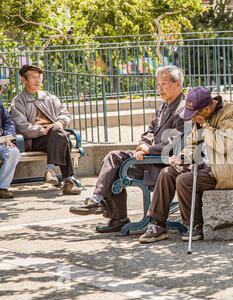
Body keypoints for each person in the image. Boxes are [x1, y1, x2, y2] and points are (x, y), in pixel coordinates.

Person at [69, 65, 186, 233]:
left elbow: (174, 143)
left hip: (161, 163)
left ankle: (103, 205)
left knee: (117, 164)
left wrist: (148, 149)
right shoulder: (163, 106)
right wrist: (143, 144)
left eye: (164, 84)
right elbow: (150, 131)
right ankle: (113, 213)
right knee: (113, 157)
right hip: (148, 158)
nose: (159, 88)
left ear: (178, 84)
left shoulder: (183, 109)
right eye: (158, 84)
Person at [138, 86, 233, 243]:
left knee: (184, 180)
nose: (192, 117)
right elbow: (192, 144)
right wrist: (182, 158)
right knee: (167, 173)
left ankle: (194, 225)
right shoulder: (198, 115)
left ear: (208, 107)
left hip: (224, 169)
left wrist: (205, 126)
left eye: (196, 113)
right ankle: (157, 224)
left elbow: (225, 144)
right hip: (202, 165)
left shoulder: (232, 112)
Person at [10, 65, 80, 195]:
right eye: (33, 77)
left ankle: (51, 170)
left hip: (55, 136)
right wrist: (42, 130)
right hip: (34, 139)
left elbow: (65, 114)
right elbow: (21, 126)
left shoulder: (48, 97)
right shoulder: (18, 101)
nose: (37, 81)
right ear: (23, 80)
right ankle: (68, 180)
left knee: (58, 134)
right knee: (63, 137)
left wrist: (59, 122)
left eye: (38, 77)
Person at [0, 93, 21, 198]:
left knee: (13, 152)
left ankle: (2, 187)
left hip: (1, 141)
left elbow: (8, 122)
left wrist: (8, 136)